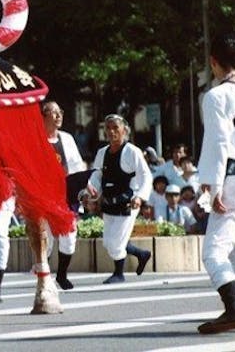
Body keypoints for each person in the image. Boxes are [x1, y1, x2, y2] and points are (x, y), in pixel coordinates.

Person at [196, 33, 235, 334]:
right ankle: (234, 309)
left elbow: (217, 144)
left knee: (214, 252)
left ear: (213, 63)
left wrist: (213, 188)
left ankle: (233, 310)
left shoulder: (216, 96)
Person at [86, 114, 152, 284]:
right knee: (108, 243)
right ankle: (141, 254)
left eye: (115, 128)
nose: (112, 132)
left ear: (124, 130)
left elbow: (146, 176)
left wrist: (140, 196)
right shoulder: (102, 153)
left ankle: (119, 274)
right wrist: (92, 191)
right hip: (109, 202)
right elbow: (96, 176)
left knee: (116, 244)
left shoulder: (132, 151)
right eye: (108, 128)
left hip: (129, 203)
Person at [41, 100, 86, 291]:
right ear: (44, 116)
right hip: (44, 194)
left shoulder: (66, 138)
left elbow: (76, 165)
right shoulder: (36, 138)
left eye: (60, 112)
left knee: (69, 236)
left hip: (66, 193)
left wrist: (83, 188)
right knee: (46, 239)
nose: (58, 116)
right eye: (53, 112)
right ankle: (45, 276)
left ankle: (62, 274)